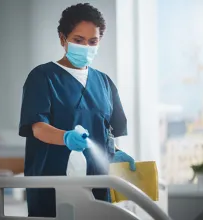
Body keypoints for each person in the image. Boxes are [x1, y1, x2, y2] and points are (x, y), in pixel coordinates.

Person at [19, 3, 136, 217]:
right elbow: (38, 128)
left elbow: (106, 132)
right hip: (53, 186)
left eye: (93, 41)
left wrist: (116, 154)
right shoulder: (43, 77)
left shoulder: (104, 83)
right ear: (63, 39)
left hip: (97, 187)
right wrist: (66, 137)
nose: (86, 47)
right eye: (78, 40)